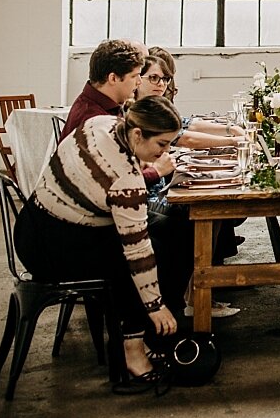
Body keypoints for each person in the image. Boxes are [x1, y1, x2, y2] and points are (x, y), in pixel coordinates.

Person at [16, 94, 181, 395]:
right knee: (137, 257)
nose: (165, 152)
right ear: (137, 134)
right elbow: (138, 250)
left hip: (30, 226)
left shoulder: (99, 124)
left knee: (165, 229)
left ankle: (149, 335)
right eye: (161, 144)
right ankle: (133, 349)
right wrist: (155, 305)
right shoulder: (126, 180)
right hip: (52, 249)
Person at [132, 47, 240, 318]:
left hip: (153, 190)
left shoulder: (154, 106)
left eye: (165, 79)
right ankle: (191, 299)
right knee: (205, 209)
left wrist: (230, 131)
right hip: (149, 198)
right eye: (154, 78)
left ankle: (197, 293)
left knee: (210, 202)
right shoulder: (138, 112)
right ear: (137, 80)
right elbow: (185, 136)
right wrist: (234, 140)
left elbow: (186, 125)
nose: (162, 84)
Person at [61, 39, 145, 140]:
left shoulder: (97, 103)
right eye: (134, 76)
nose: (139, 82)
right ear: (113, 78)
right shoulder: (95, 121)